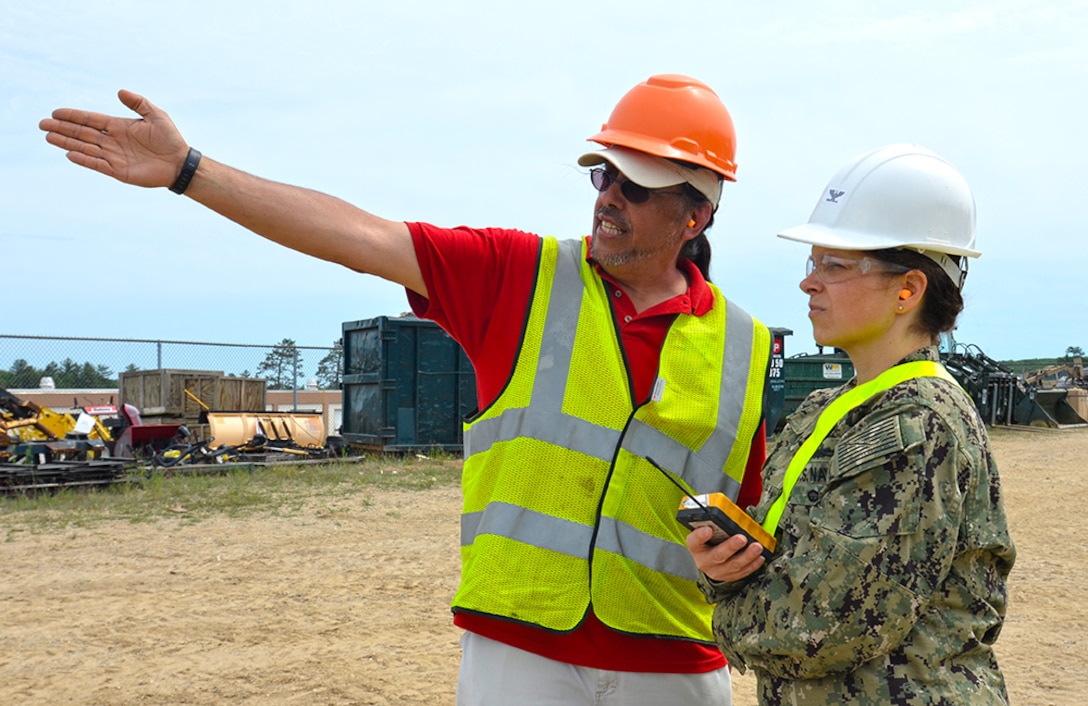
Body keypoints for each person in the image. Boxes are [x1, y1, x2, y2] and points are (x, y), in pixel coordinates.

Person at [41, 74, 773, 706]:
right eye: (602, 176)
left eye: (635, 186)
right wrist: (189, 171)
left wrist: (731, 556)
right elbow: (359, 236)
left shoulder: (745, 346)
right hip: (521, 656)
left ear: (696, 213)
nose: (608, 197)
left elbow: (752, 514)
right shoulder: (520, 277)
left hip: (674, 661)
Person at [686, 144, 1016, 704]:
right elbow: (775, 559)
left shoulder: (917, 422)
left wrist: (724, 609)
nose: (808, 283)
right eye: (812, 263)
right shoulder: (831, 409)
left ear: (908, 290)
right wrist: (722, 569)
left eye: (834, 266)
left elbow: (823, 624)